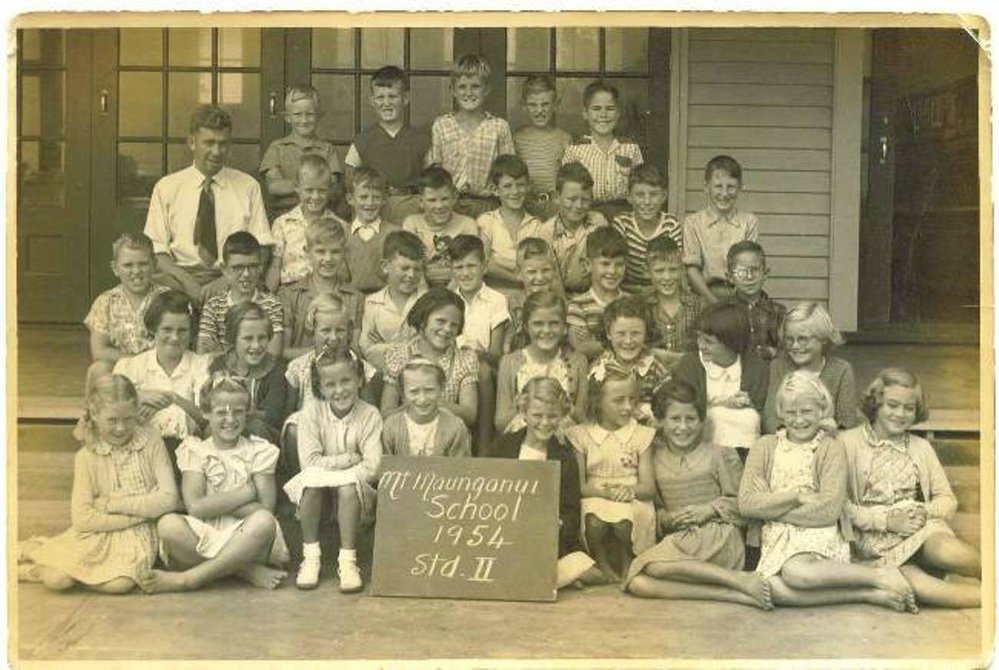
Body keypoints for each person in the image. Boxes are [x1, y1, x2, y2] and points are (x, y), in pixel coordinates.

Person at [738, 371, 916, 612]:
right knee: (769, 587)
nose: (799, 420)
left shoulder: (829, 448)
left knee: (796, 573)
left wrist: (769, 505)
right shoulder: (764, 447)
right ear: (780, 412)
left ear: (821, 410)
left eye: (807, 411)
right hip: (776, 537)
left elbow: (828, 512)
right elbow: (746, 504)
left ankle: (877, 575)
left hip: (819, 534)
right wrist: (796, 497)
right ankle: (868, 593)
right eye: (791, 412)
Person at [18, 375, 180, 594]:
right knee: (58, 580)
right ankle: (34, 558)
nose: (121, 428)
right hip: (97, 531)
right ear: (94, 415)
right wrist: (144, 512)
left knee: (119, 585)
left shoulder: (151, 442)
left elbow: (169, 499)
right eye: (112, 420)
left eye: (128, 419)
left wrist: (111, 504)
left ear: (136, 412)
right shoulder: (86, 456)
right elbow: (83, 519)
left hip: (138, 535)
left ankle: (45, 553)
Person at [624, 381, 772, 609]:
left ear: (702, 421)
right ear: (660, 421)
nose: (683, 427)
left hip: (719, 536)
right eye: (675, 419)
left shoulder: (719, 454)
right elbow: (656, 506)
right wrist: (666, 518)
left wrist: (709, 509)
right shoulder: (653, 457)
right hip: (681, 540)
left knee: (652, 566)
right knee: (638, 583)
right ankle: (733, 590)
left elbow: (745, 505)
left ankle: (733, 579)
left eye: (691, 419)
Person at [842, 368, 980, 608]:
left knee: (948, 551)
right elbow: (840, 506)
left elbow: (947, 499)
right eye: (892, 405)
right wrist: (887, 522)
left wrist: (924, 512)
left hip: (920, 530)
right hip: (872, 541)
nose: (900, 414)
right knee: (918, 587)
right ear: (876, 403)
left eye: (909, 408)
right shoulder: (847, 442)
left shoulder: (921, 447)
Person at [139, 374, 290, 593]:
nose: (230, 419)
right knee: (167, 525)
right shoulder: (195, 451)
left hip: (247, 537)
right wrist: (246, 492)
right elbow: (195, 508)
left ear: (247, 413)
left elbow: (265, 508)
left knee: (264, 522)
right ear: (206, 413)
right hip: (204, 533)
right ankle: (244, 570)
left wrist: (212, 504)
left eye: (238, 411)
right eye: (221, 412)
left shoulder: (259, 451)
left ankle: (189, 579)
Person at [145, 104, 273, 303]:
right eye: (209, 143)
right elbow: (157, 250)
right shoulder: (167, 188)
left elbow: (262, 247)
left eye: (223, 144)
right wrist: (188, 283)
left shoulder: (248, 186)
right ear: (192, 142)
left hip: (233, 277)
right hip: (180, 278)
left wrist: (227, 280)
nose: (216, 151)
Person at [487, 378, 604, 589]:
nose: (545, 422)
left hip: (548, 541)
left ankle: (536, 576)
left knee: (593, 573)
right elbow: (484, 491)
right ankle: (545, 578)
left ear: (562, 415)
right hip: (505, 535)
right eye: (537, 415)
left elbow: (571, 510)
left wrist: (559, 525)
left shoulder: (565, 455)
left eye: (552, 416)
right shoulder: (503, 446)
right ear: (523, 412)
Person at [283, 349, 382, 592]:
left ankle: (348, 561)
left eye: (346, 380)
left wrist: (338, 472)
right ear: (320, 387)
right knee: (310, 483)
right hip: (322, 487)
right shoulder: (312, 412)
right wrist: (349, 459)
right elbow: (309, 462)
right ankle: (311, 557)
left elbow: (373, 467)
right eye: (330, 384)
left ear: (359, 379)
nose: (339, 390)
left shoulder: (370, 415)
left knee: (348, 488)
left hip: (354, 490)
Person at [568, 368, 656, 582]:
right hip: (595, 493)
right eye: (618, 400)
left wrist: (629, 491)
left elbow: (648, 488)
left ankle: (628, 558)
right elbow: (580, 486)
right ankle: (600, 559)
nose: (628, 407)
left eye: (632, 399)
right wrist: (605, 493)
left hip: (632, 493)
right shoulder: (581, 435)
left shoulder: (641, 435)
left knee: (625, 522)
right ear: (597, 401)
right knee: (594, 522)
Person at [282, 294, 380, 478]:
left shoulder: (361, 368)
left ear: (349, 331)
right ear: (312, 330)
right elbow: (288, 411)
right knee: (294, 426)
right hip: (312, 440)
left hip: (349, 440)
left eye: (340, 330)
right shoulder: (299, 367)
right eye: (325, 330)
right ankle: (301, 484)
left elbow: (370, 410)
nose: (333, 337)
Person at [113, 290, 212, 468]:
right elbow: (111, 410)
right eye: (167, 329)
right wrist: (139, 396)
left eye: (182, 331)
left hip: (187, 456)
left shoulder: (201, 365)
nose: (174, 337)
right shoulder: (130, 367)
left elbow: (206, 419)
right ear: (153, 329)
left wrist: (173, 399)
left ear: (191, 332)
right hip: (139, 453)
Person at [673, 302, 768, 457]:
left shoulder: (756, 367)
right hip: (700, 452)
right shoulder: (690, 364)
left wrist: (749, 404)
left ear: (731, 342)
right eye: (699, 338)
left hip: (748, 453)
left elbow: (763, 413)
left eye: (708, 342)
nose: (701, 346)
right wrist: (721, 403)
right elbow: (684, 409)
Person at [429, 54, 514, 219]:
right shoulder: (441, 125)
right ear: (453, 90)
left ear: (486, 89)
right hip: (450, 206)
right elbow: (436, 172)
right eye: (462, 87)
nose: (468, 93)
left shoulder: (499, 127)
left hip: (488, 206)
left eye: (475, 86)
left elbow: (508, 173)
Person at [380, 288, 479, 429]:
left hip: (449, 435)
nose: (447, 329)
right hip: (406, 433)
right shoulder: (399, 357)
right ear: (422, 321)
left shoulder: (464, 360)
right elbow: (386, 414)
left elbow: (469, 415)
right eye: (440, 321)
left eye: (454, 325)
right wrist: (417, 406)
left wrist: (433, 402)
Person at [344, 66, 431, 225]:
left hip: (411, 208)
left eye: (392, 96)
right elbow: (350, 178)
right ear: (372, 101)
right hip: (375, 208)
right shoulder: (363, 140)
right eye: (380, 97)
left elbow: (431, 178)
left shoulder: (420, 140)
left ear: (405, 98)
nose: (386, 103)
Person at [495, 290, 588, 434]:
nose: (546, 330)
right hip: (522, 438)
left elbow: (582, 419)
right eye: (538, 324)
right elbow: (500, 423)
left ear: (564, 327)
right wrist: (520, 406)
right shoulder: (510, 362)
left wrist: (567, 406)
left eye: (554, 323)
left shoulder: (578, 362)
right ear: (526, 326)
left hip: (564, 439)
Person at [84, 232, 169, 388]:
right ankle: (98, 405)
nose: (136, 271)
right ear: (115, 268)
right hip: (121, 367)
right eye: (128, 265)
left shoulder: (166, 299)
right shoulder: (106, 301)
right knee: (98, 369)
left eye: (143, 264)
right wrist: (135, 363)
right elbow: (99, 350)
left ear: (154, 264)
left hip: (159, 368)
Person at [762, 302, 861, 434]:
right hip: (786, 439)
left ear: (823, 338)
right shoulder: (779, 367)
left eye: (803, 339)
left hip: (829, 439)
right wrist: (795, 435)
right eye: (789, 339)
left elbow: (847, 421)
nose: (795, 346)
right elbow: (771, 418)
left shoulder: (841, 370)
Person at [207, 302, 292, 445]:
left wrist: (241, 410)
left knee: (255, 427)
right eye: (248, 338)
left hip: (262, 438)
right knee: (211, 429)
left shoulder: (276, 370)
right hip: (225, 425)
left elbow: (273, 415)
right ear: (233, 339)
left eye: (262, 338)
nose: (256, 345)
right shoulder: (220, 365)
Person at [278, 219, 363, 361]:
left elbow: (355, 349)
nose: (328, 258)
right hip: (300, 369)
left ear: (344, 253)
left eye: (335, 252)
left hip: (342, 369)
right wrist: (321, 353)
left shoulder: (355, 297)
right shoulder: (290, 295)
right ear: (307, 252)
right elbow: (284, 351)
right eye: (320, 251)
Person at [561, 80, 643, 222]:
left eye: (610, 109)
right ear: (585, 113)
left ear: (618, 113)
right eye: (596, 108)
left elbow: (641, 188)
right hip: (586, 216)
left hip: (625, 217)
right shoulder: (575, 150)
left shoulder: (630, 148)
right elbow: (566, 191)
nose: (603, 114)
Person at [265, 154, 348, 292]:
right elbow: (275, 267)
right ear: (297, 188)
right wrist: (268, 298)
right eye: (309, 190)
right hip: (290, 291)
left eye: (322, 190)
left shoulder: (340, 226)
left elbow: (344, 270)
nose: (315, 196)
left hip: (326, 292)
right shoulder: (282, 224)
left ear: (329, 190)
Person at [683, 154, 758, 304]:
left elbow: (748, 267)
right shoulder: (693, 222)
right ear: (706, 187)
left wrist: (735, 304)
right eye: (718, 186)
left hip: (739, 296)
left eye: (731, 187)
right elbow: (692, 271)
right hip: (703, 295)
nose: (724, 194)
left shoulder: (749, 222)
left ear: (740, 187)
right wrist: (715, 304)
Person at [260, 83, 343, 218]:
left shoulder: (327, 150)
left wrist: (298, 186)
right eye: (298, 114)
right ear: (288, 117)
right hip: (284, 216)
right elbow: (274, 187)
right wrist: (314, 185)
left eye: (309, 114)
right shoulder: (277, 148)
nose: (304, 120)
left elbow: (332, 187)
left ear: (318, 116)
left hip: (320, 216)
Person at [196, 232, 284, 358]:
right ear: (225, 269)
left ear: (260, 268)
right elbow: (204, 354)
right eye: (238, 268)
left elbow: (273, 354)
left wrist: (220, 351)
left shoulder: (272, 304)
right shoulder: (213, 307)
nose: (246, 274)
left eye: (252, 266)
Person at [588, 295, 670, 424]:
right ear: (609, 334)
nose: (628, 341)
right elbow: (592, 409)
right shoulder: (599, 370)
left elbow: (668, 405)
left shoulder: (655, 368)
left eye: (636, 333)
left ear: (646, 334)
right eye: (621, 334)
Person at [476, 154, 547, 294]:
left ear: (528, 187)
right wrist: (519, 277)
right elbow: (484, 263)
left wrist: (500, 264)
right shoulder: (487, 221)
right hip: (493, 293)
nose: (515, 192)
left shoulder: (536, 225)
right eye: (507, 186)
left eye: (520, 185)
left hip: (529, 293)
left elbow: (538, 265)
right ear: (495, 190)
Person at [359, 229, 428, 371]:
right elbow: (367, 348)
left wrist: (384, 347)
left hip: (421, 372)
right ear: (385, 266)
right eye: (405, 268)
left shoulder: (428, 301)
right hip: (384, 371)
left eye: (417, 269)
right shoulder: (372, 303)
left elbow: (430, 345)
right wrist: (409, 347)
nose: (411, 275)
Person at [402, 166, 478, 289]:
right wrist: (424, 294)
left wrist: (448, 294)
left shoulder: (467, 224)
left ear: (454, 197)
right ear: (421, 201)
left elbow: (468, 267)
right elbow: (411, 264)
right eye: (432, 200)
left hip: (458, 287)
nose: (439, 206)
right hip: (421, 286)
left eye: (445, 199)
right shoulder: (412, 223)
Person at [613, 164, 682, 295]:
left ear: (664, 196)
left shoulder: (671, 225)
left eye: (653, 194)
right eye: (640, 195)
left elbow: (675, 266)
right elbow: (617, 266)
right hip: (627, 289)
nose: (647, 201)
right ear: (629, 197)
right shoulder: (622, 223)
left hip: (662, 288)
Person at [381, 359, 471, 458]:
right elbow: (384, 464)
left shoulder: (455, 427)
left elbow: (460, 465)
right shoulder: (391, 427)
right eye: (414, 391)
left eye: (429, 390)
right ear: (403, 393)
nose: (422, 399)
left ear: (441, 389)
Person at [543, 162, 608, 296]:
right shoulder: (547, 231)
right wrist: (565, 305)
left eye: (585, 200)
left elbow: (605, 266)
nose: (579, 205)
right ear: (556, 197)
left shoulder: (598, 223)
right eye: (572, 199)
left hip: (594, 294)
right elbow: (553, 277)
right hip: (559, 295)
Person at [512, 75, 571, 220]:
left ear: (555, 105)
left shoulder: (564, 138)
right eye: (533, 105)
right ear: (524, 106)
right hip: (524, 205)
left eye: (545, 104)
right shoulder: (516, 138)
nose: (539, 110)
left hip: (554, 206)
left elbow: (568, 179)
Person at [566, 226, 629, 361]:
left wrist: (598, 344)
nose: (612, 271)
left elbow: (642, 342)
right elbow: (581, 347)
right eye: (605, 264)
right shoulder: (578, 306)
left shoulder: (631, 302)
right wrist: (624, 341)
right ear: (587, 265)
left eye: (619, 264)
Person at [718, 241, 786, 361]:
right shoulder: (719, 314)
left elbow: (786, 352)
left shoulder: (778, 313)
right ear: (730, 277)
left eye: (755, 270)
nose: (749, 277)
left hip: (768, 371)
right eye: (742, 272)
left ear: (765, 274)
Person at [641, 234, 700, 368]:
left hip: (689, 373)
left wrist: (680, 359)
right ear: (647, 272)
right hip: (651, 373)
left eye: (673, 270)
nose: (667, 277)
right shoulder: (641, 306)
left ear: (682, 269)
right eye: (659, 271)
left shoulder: (697, 305)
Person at [343, 166, 401, 295]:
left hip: (385, 298)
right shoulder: (343, 234)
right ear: (350, 199)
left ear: (384, 200)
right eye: (363, 197)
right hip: (351, 298)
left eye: (376, 197)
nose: (369, 203)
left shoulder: (393, 233)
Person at [504, 237, 564, 353]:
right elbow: (507, 345)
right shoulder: (512, 304)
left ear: (554, 271)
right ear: (518, 273)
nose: (540, 277)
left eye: (546, 270)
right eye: (532, 272)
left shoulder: (560, 305)